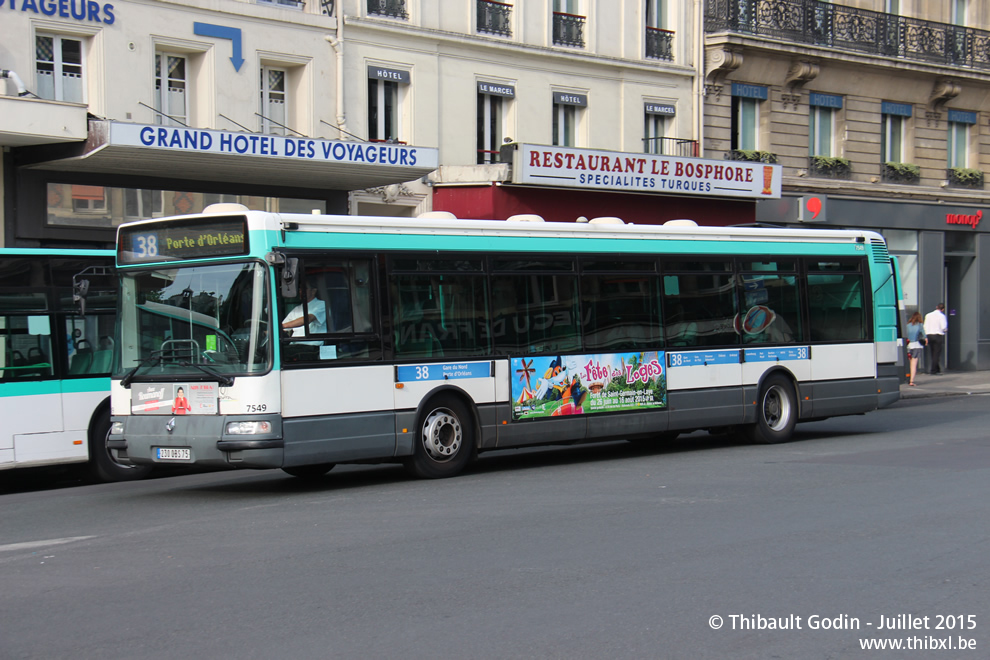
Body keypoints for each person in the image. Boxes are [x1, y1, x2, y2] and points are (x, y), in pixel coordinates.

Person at [923, 303, 947, 375]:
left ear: (936, 307)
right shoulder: (942, 316)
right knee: (936, 353)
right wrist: (946, 330)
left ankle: (937, 369)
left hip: (929, 335)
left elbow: (925, 326)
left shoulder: (928, 315)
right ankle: (933, 370)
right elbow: (943, 327)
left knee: (932, 352)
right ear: (943, 309)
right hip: (938, 335)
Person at [904, 311, 926, 386]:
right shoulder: (920, 325)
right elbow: (924, 335)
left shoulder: (907, 325)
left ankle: (907, 378)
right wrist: (925, 341)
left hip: (908, 346)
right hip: (916, 346)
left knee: (909, 363)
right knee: (914, 364)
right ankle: (911, 381)